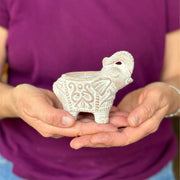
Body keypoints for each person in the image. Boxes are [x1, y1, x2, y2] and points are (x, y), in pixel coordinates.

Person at [0, 0, 179, 179]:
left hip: (148, 166)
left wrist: (171, 96)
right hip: (22, 165)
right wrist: (13, 102)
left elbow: (176, 75)